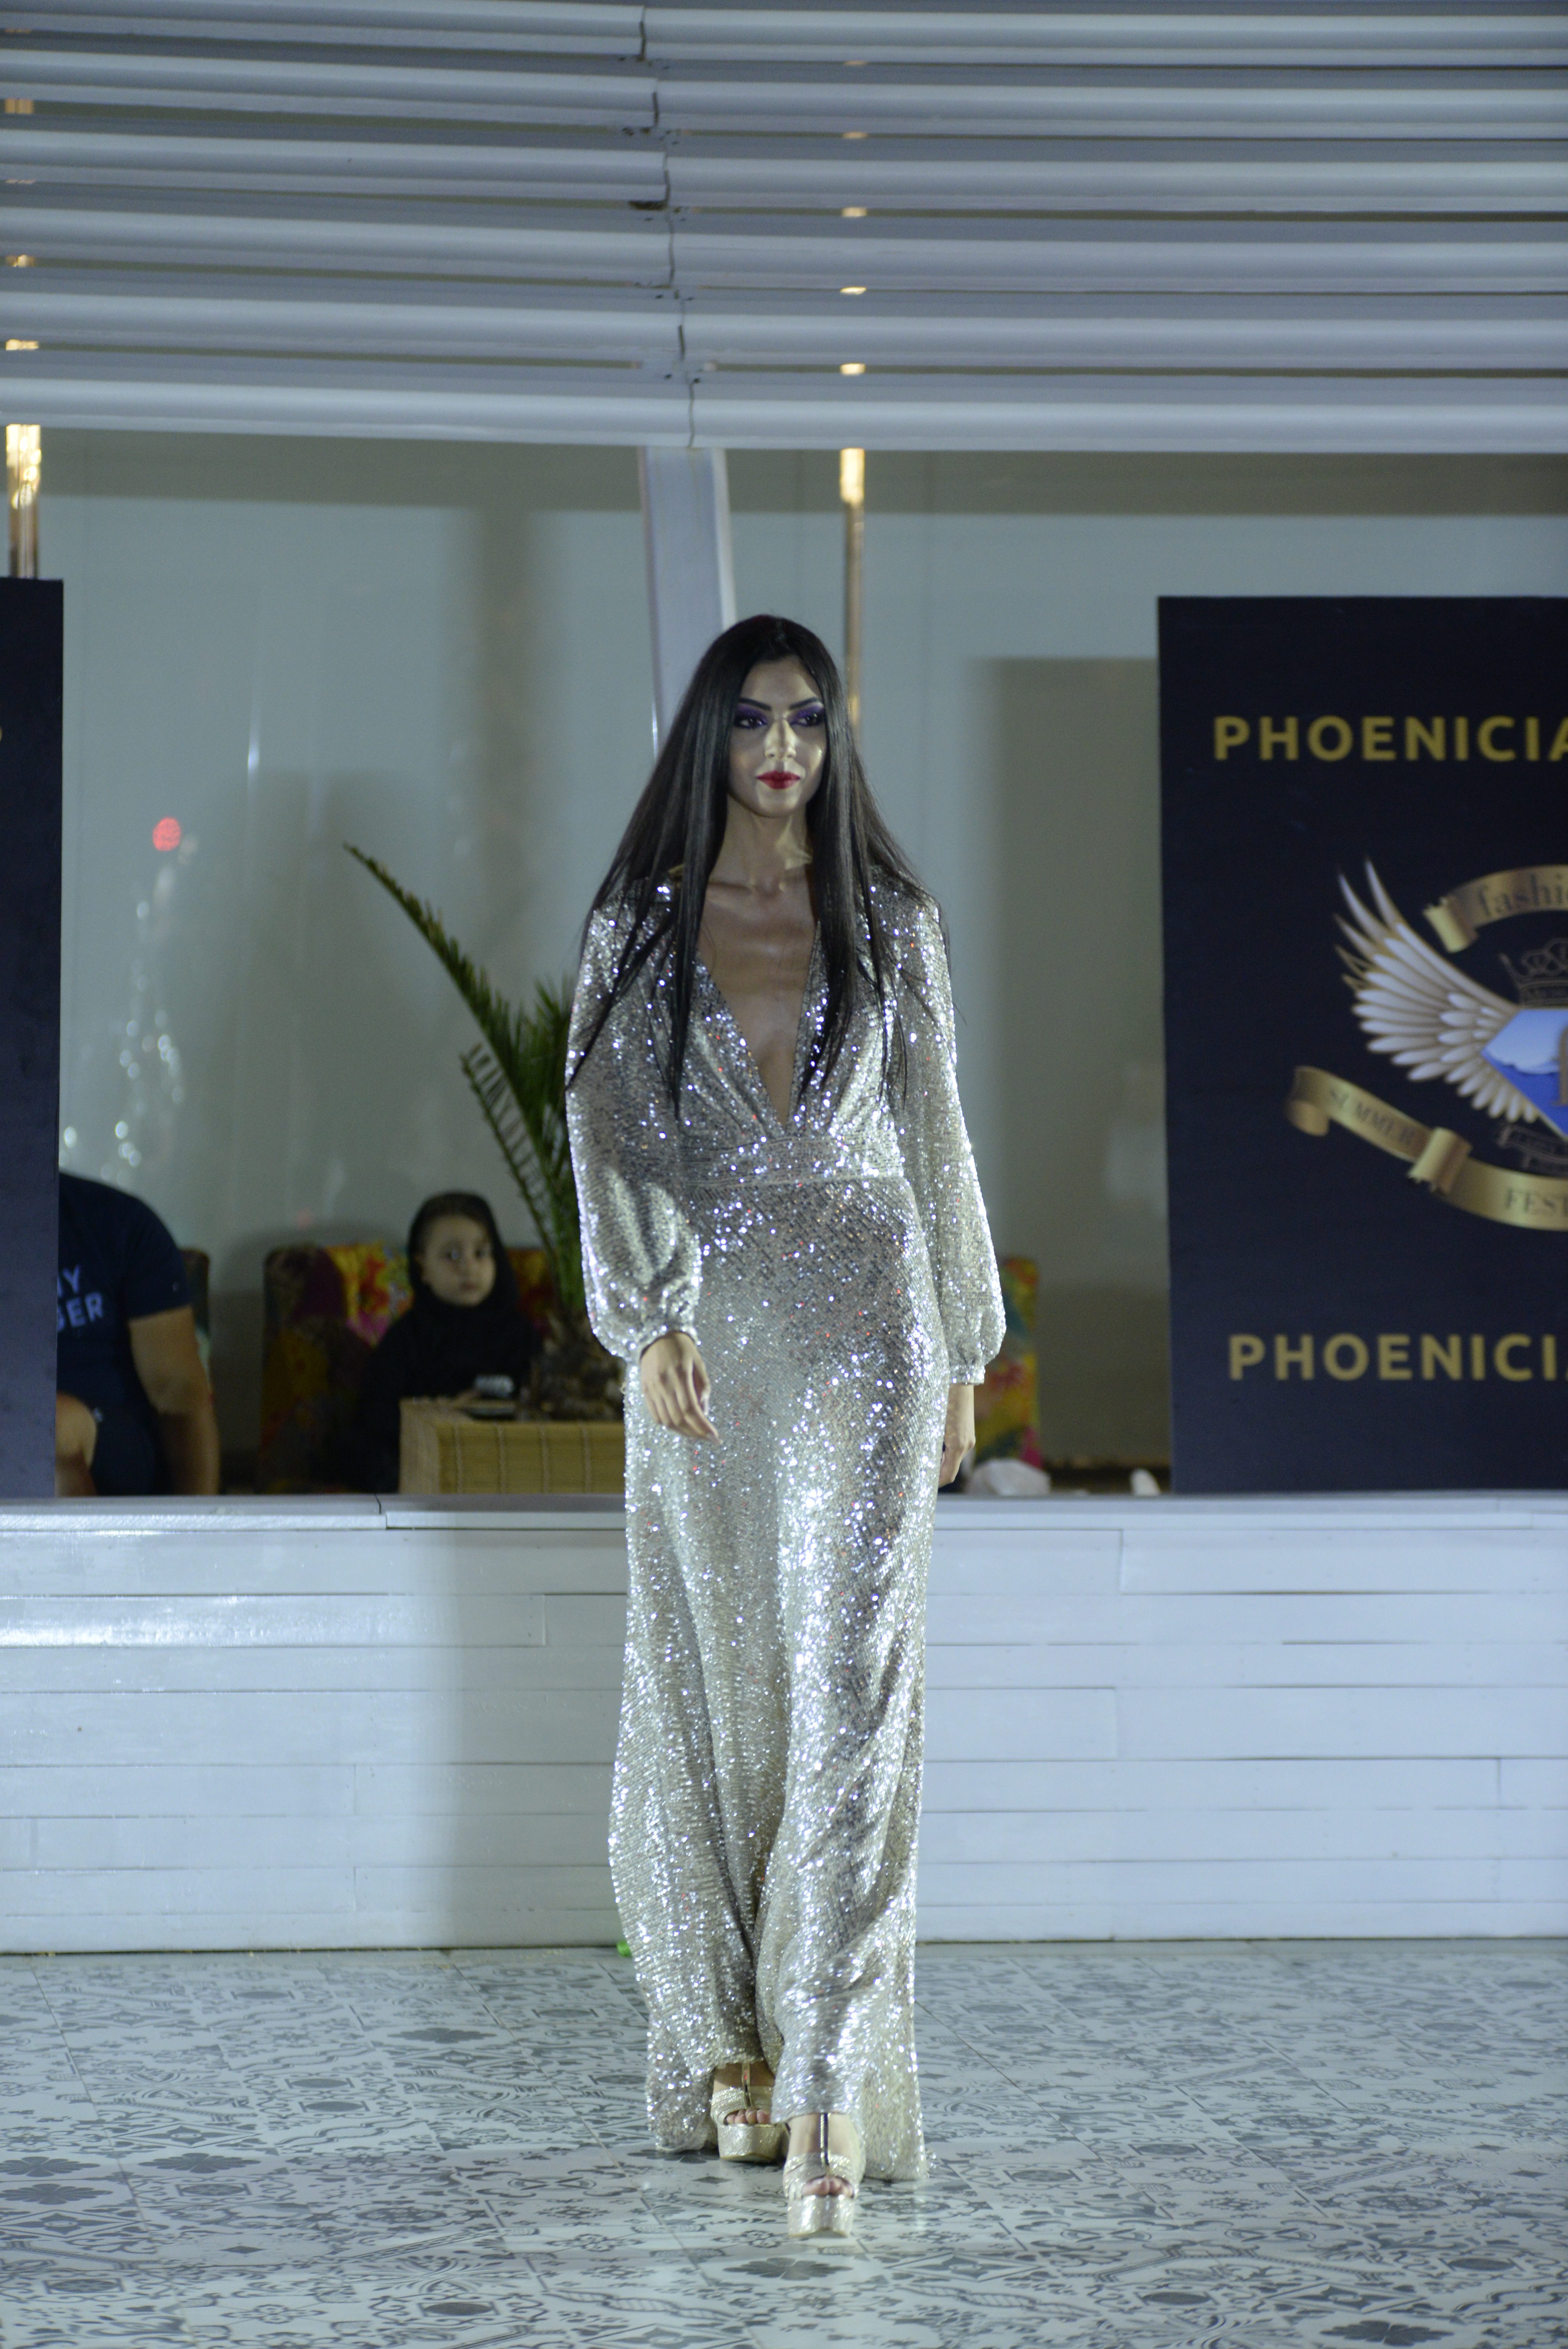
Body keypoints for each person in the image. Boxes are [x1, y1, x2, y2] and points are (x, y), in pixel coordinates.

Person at [566, 613, 1002, 2240]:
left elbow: (936, 1132)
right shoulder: (637, 926)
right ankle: (725, 2043)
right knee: (713, 1680)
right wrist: (647, 1317)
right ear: (711, 735)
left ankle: (830, 2083)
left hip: (872, 1320)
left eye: (807, 719)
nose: (782, 748)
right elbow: (609, 1129)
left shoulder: (893, 921)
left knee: (852, 1690)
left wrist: (961, 1348)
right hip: (710, 1341)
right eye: (753, 719)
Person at [347, 1191, 540, 1492]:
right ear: (423, 1267)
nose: (469, 1267)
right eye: (452, 1256)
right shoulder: (406, 1340)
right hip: (428, 1474)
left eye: (481, 1253)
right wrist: (430, 1418)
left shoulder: (520, 1334)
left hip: (512, 1472)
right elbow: (373, 1424)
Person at [55, 1171, 221, 1497]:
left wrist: (198, 1522)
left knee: (48, 1425)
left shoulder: (116, 1222)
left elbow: (179, 1393)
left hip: (113, 1439)